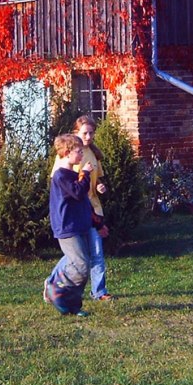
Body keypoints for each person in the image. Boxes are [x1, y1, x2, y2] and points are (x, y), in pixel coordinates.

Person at [43, 133, 94, 316]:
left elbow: (82, 199)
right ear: (67, 153)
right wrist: (85, 174)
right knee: (80, 265)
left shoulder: (72, 174)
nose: (81, 155)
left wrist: (95, 219)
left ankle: (73, 305)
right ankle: (55, 287)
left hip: (79, 224)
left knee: (83, 265)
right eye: (78, 151)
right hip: (67, 226)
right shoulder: (61, 175)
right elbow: (77, 193)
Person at [73, 114, 113, 301]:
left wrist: (99, 187)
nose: (88, 137)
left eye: (91, 133)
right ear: (76, 132)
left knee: (97, 251)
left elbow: (97, 180)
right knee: (77, 255)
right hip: (77, 210)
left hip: (94, 209)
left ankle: (99, 291)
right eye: (85, 133)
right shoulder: (70, 153)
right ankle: (57, 284)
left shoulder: (94, 153)